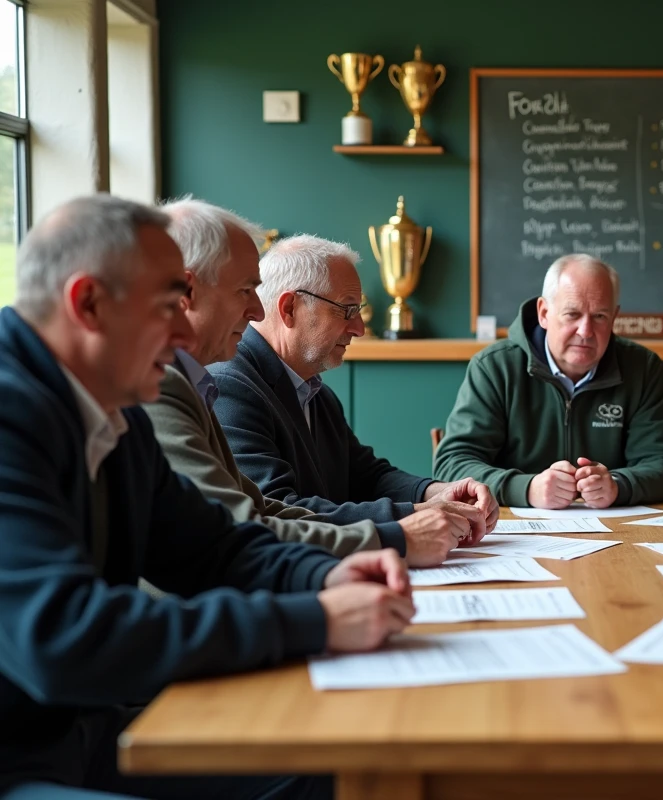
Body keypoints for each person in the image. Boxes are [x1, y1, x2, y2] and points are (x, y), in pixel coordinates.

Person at [0, 195, 417, 800]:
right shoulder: (13, 414)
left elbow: (215, 547)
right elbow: (64, 637)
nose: (181, 328)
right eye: (169, 303)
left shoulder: (114, 411)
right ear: (88, 303)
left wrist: (324, 578)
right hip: (22, 761)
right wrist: (315, 619)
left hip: (84, 731)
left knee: (337, 768)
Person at [210, 235, 498, 567]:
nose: (359, 328)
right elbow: (280, 509)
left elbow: (366, 475)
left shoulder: (316, 392)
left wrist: (432, 492)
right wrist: (415, 515)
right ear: (289, 308)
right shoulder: (229, 387)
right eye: (347, 310)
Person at [143, 198, 405, 556]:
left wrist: (428, 499)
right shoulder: (212, 385)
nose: (256, 310)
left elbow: (259, 513)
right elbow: (245, 528)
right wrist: (399, 533)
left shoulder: (311, 392)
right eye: (244, 290)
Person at [433, 254, 663, 508]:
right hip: (509, 534)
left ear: (614, 317)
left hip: (620, 534)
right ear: (544, 313)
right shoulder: (494, 367)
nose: (586, 331)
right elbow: (451, 464)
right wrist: (526, 488)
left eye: (600, 316)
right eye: (572, 314)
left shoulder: (642, 368)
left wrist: (618, 484)